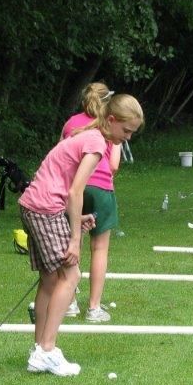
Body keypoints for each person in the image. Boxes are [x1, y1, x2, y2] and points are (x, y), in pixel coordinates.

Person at [19, 94, 143, 376]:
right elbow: (76, 191)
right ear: (111, 120)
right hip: (45, 208)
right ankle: (47, 350)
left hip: (34, 205)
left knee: (50, 279)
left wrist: (76, 217)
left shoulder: (89, 134)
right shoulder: (97, 142)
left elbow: (60, 182)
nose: (127, 138)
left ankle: (40, 349)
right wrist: (75, 238)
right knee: (71, 276)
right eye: (126, 131)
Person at [61, 83, 134, 323]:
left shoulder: (71, 122)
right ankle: (93, 307)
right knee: (99, 248)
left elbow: (61, 155)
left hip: (75, 187)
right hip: (101, 187)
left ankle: (69, 301)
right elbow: (112, 166)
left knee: (73, 240)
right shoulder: (109, 127)